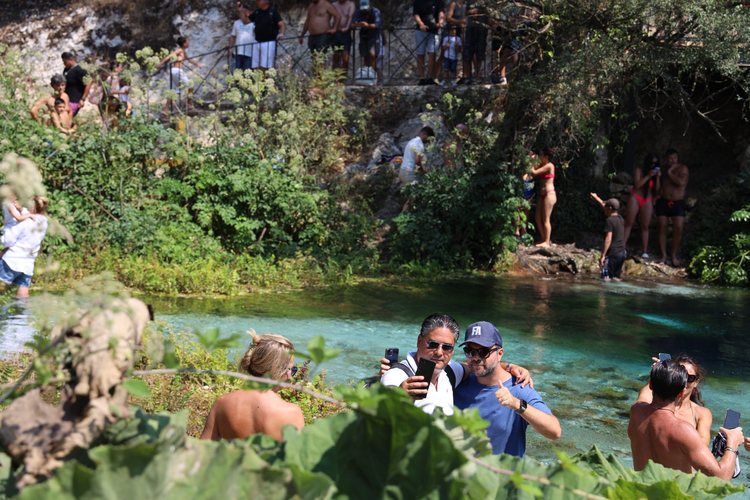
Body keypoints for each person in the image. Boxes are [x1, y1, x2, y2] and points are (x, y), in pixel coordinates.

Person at [380, 314, 532, 418]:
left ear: (452, 350)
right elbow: (384, 404)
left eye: (447, 347)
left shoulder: (449, 371)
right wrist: (400, 395)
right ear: (419, 341)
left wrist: (509, 366)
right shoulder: (397, 375)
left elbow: (473, 365)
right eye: (432, 344)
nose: (439, 352)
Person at [453, 321, 561, 456]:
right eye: (469, 351)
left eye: (483, 352)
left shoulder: (519, 388)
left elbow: (555, 431)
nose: (475, 358)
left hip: (502, 475)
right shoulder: (459, 380)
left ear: (500, 353)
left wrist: (516, 404)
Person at [628, 359, 742, 480]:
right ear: (681, 393)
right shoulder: (683, 430)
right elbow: (721, 477)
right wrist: (732, 443)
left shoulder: (636, 411)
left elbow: (646, 392)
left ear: (651, 384)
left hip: (639, 493)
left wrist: (661, 372)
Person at [200, 332, 304, 441]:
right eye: (292, 369)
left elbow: (201, 451)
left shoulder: (222, 403)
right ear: (279, 370)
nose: (290, 376)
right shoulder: (291, 412)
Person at [635, 355, 712, 446]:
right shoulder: (656, 402)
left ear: (696, 382)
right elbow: (648, 390)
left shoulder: (701, 413)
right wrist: (660, 373)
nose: (683, 381)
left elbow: (703, 447)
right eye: (679, 376)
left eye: (689, 378)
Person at [0, 196, 49, 298]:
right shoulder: (44, 222)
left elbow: (8, 241)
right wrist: (21, 210)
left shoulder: (25, 223)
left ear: (33, 207)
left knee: (1, 291)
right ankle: (23, 314)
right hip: (28, 264)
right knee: (23, 297)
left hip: (11, 262)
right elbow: (32, 216)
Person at [655, 148, 689, 266]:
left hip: (677, 202)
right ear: (666, 159)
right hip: (663, 201)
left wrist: (670, 173)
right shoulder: (663, 169)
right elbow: (659, 188)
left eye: (674, 158)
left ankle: (674, 254)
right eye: (670, 158)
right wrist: (659, 177)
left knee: (678, 228)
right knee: (662, 226)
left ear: (677, 158)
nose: (672, 160)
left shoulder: (682, 168)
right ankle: (663, 255)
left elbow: (681, 183)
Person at [624, 153, 660, 259]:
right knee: (629, 222)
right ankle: (622, 246)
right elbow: (637, 185)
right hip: (636, 196)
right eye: (651, 162)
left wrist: (657, 177)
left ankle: (644, 250)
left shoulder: (655, 174)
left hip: (647, 199)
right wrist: (648, 176)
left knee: (645, 226)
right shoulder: (639, 170)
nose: (653, 165)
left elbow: (657, 190)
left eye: (655, 163)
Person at [158, 36, 203, 112]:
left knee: (173, 91)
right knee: (190, 86)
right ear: (184, 43)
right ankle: (189, 104)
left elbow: (189, 60)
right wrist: (160, 63)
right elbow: (170, 56)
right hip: (177, 71)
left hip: (175, 71)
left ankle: (165, 109)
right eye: (187, 42)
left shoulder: (183, 51)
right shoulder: (179, 50)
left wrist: (197, 64)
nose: (188, 43)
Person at [590, 195, 626, 281]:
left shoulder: (609, 221)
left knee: (605, 279)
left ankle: (604, 294)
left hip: (613, 253)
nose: (604, 208)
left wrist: (603, 255)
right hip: (622, 253)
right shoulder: (621, 219)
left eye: (606, 207)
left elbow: (608, 239)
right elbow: (604, 205)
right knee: (616, 278)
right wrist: (596, 198)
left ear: (609, 208)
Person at [413, 0, 445, 85]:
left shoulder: (438, 1)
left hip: (434, 30)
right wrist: (421, 24)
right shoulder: (417, 1)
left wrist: (440, 23)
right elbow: (416, 14)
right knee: (420, 54)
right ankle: (422, 78)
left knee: (432, 53)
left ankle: (431, 77)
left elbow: (441, 13)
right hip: (421, 30)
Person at [530, 147, 556, 247]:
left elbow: (534, 172)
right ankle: (544, 239)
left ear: (546, 156)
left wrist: (532, 162)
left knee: (546, 219)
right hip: (542, 195)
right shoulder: (542, 165)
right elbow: (534, 169)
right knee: (537, 218)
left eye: (541, 155)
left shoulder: (550, 166)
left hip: (549, 194)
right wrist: (531, 159)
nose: (539, 157)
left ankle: (547, 241)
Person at [250, 0, 285, 70]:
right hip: (257, 41)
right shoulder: (257, 12)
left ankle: (264, 80)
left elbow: (281, 24)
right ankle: (258, 79)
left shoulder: (273, 11)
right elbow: (247, 20)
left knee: (265, 65)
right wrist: (241, 11)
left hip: (268, 42)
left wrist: (281, 33)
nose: (257, 1)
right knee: (255, 65)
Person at [351, 0, 382, 76]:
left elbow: (377, 25)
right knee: (365, 57)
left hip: (374, 36)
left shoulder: (375, 11)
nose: (365, 10)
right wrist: (359, 24)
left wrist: (367, 25)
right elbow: (352, 24)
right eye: (363, 9)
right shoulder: (358, 12)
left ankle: (374, 75)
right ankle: (366, 76)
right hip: (364, 36)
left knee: (372, 55)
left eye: (366, 9)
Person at [461, 4, 488, 84]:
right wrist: (471, 12)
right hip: (470, 29)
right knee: (468, 54)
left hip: (481, 29)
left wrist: (479, 12)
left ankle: (478, 76)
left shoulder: (485, 2)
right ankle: (468, 77)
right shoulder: (469, 2)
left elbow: (488, 12)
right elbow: (465, 12)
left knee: (480, 54)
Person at [61, 52, 91, 117]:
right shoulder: (66, 69)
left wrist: (82, 99)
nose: (64, 63)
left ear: (70, 59)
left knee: (68, 117)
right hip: (65, 98)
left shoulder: (80, 70)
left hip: (75, 100)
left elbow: (88, 83)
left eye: (65, 61)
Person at [230, 3, 256, 71]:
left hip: (249, 53)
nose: (240, 13)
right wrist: (230, 49)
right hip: (237, 53)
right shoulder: (236, 23)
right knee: (236, 73)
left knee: (247, 73)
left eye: (242, 11)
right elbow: (233, 36)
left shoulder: (253, 23)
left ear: (248, 12)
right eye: (240, 12)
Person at [445, 0, 467, 81]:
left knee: (461, 51)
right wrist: (459, 22)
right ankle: (437, 77)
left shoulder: (464, 5)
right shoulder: (454, 3)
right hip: (451, 31)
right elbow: (448, 17)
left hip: (460, 32)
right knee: (444, 53)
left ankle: (462, 76)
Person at [332, 0, 355, 73]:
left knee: (345, 58)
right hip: (336, 33)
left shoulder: (351, 4)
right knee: (336, 56)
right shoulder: (334, 4)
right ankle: (335, 77)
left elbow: (350, 17)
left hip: (345, 34)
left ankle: (342, 79)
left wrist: (347, 27)